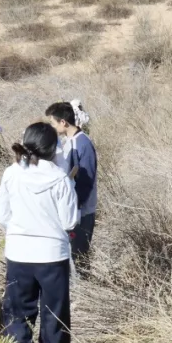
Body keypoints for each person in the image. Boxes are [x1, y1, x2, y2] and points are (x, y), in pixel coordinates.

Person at [0, 122, 78, 343]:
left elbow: (1, 214)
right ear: (54, 148)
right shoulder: (60, 178)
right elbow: (69, 221)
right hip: (52, 255)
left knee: (17, 310)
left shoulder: (11, 173)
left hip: (19, 252)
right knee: (54, 312)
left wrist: (20, 228)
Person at [45, 102, 98, 271]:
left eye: (53, 123)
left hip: (82, 211)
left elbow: (86, 181)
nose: (52, 127)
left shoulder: (82, 144)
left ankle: (85, 291)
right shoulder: (69, 141)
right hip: (72, 209)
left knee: (80, 256)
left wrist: (75, 206)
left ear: (63, 122)